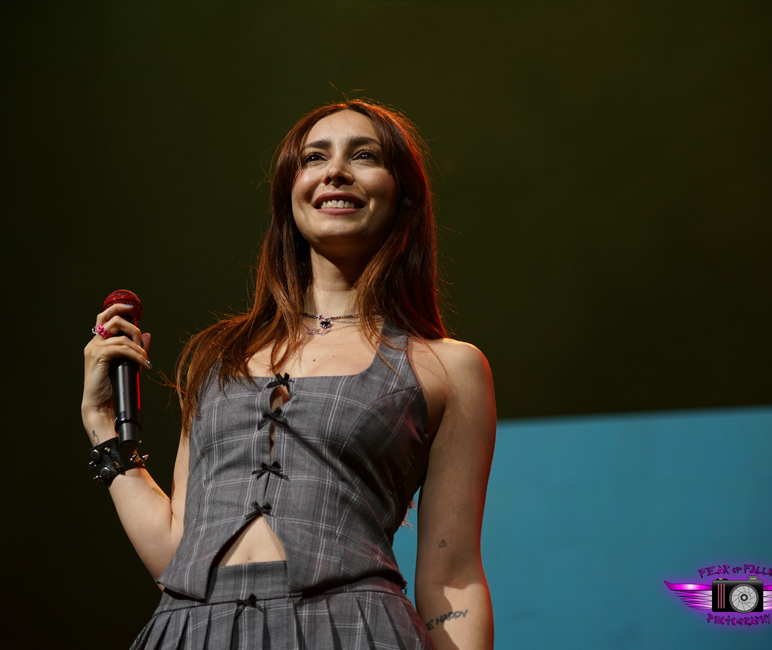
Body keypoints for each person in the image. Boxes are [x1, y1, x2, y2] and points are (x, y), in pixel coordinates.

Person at [81, 99, 496, 649]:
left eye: (364, 155)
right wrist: (102, 422)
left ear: (403, 196)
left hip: (351, 630)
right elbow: (177, 551)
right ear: (290, 193)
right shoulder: (217, 356)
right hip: (194, 632)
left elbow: (453, 579)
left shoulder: (447, 366)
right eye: (314, 158)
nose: (335, 171)